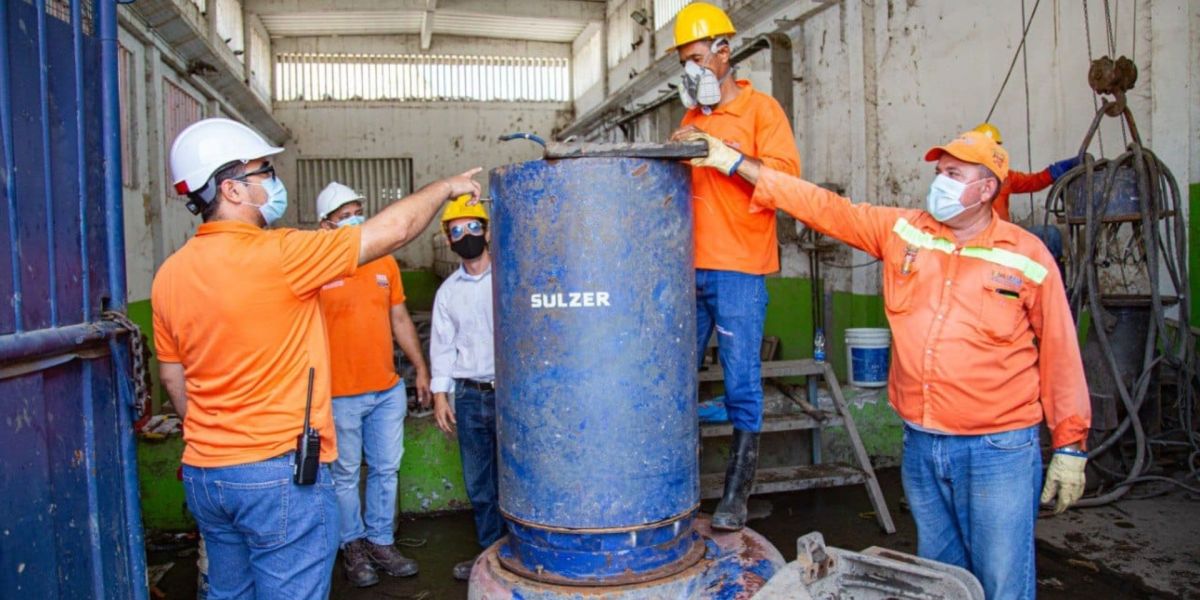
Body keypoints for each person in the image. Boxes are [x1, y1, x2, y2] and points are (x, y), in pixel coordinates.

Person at [685, 129, 1091, 599]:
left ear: (986, 190)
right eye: (939, 172)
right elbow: (823, 207)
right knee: (936, 580)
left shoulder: (1027, 257)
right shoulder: (905, 232)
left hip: (997, 449)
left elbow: (1061, 352)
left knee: (1002, 582)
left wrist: (1071, 445)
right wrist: (737, 162)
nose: (939, 182)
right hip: (922, 443)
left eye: (954, 174)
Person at [153, 117, 480, 599]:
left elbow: (173, 375)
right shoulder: (281, 254)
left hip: (208, 474)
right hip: (277, 475)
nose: (272, 182)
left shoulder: (169, 275)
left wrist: (220, 436)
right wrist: (447, 187)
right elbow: (393, 231)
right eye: (263, 172)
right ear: (231, 189)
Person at [665, 1, 802, 532]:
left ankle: (736, 495)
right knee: (677, 380)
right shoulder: (689, 118)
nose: (691, 70)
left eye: (698, 57)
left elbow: (786, 181)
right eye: (684, 62)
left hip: (740, 267)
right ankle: (678, 491)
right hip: (688, 270)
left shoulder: (762, 111)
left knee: (741, 382)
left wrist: (724, 153)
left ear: (724, 53)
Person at [314, 181, 433, 587]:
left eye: (357, 212)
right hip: (338, 394)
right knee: (345, 474)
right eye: (344, 215)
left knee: (385, 469)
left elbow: (399, 319)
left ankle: (381, 541)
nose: (354, 220)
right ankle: (353, 547)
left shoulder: (384, 263)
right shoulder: (316, 266)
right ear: (325, 225)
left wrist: (420, 367)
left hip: (385, 390)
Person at [428, 195, 499, 581]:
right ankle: (489, 555)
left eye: (474, 227)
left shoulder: (511, 277)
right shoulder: (448, 292)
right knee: (479, 482)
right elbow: (442, 345)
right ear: (448, 240)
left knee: (517, 475)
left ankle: (519, 553)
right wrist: (441, 394)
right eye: (457, 230)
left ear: (487, 231)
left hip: (511, 393)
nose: (467, 235)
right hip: (470, 395)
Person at [972, 123, 1079, 222]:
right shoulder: (964, 179)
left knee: (1051, 234)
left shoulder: (1005, 176)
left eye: (995, 147)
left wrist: (1056, 170)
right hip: (980, 239)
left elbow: (1033, 182)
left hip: (1005, 236)